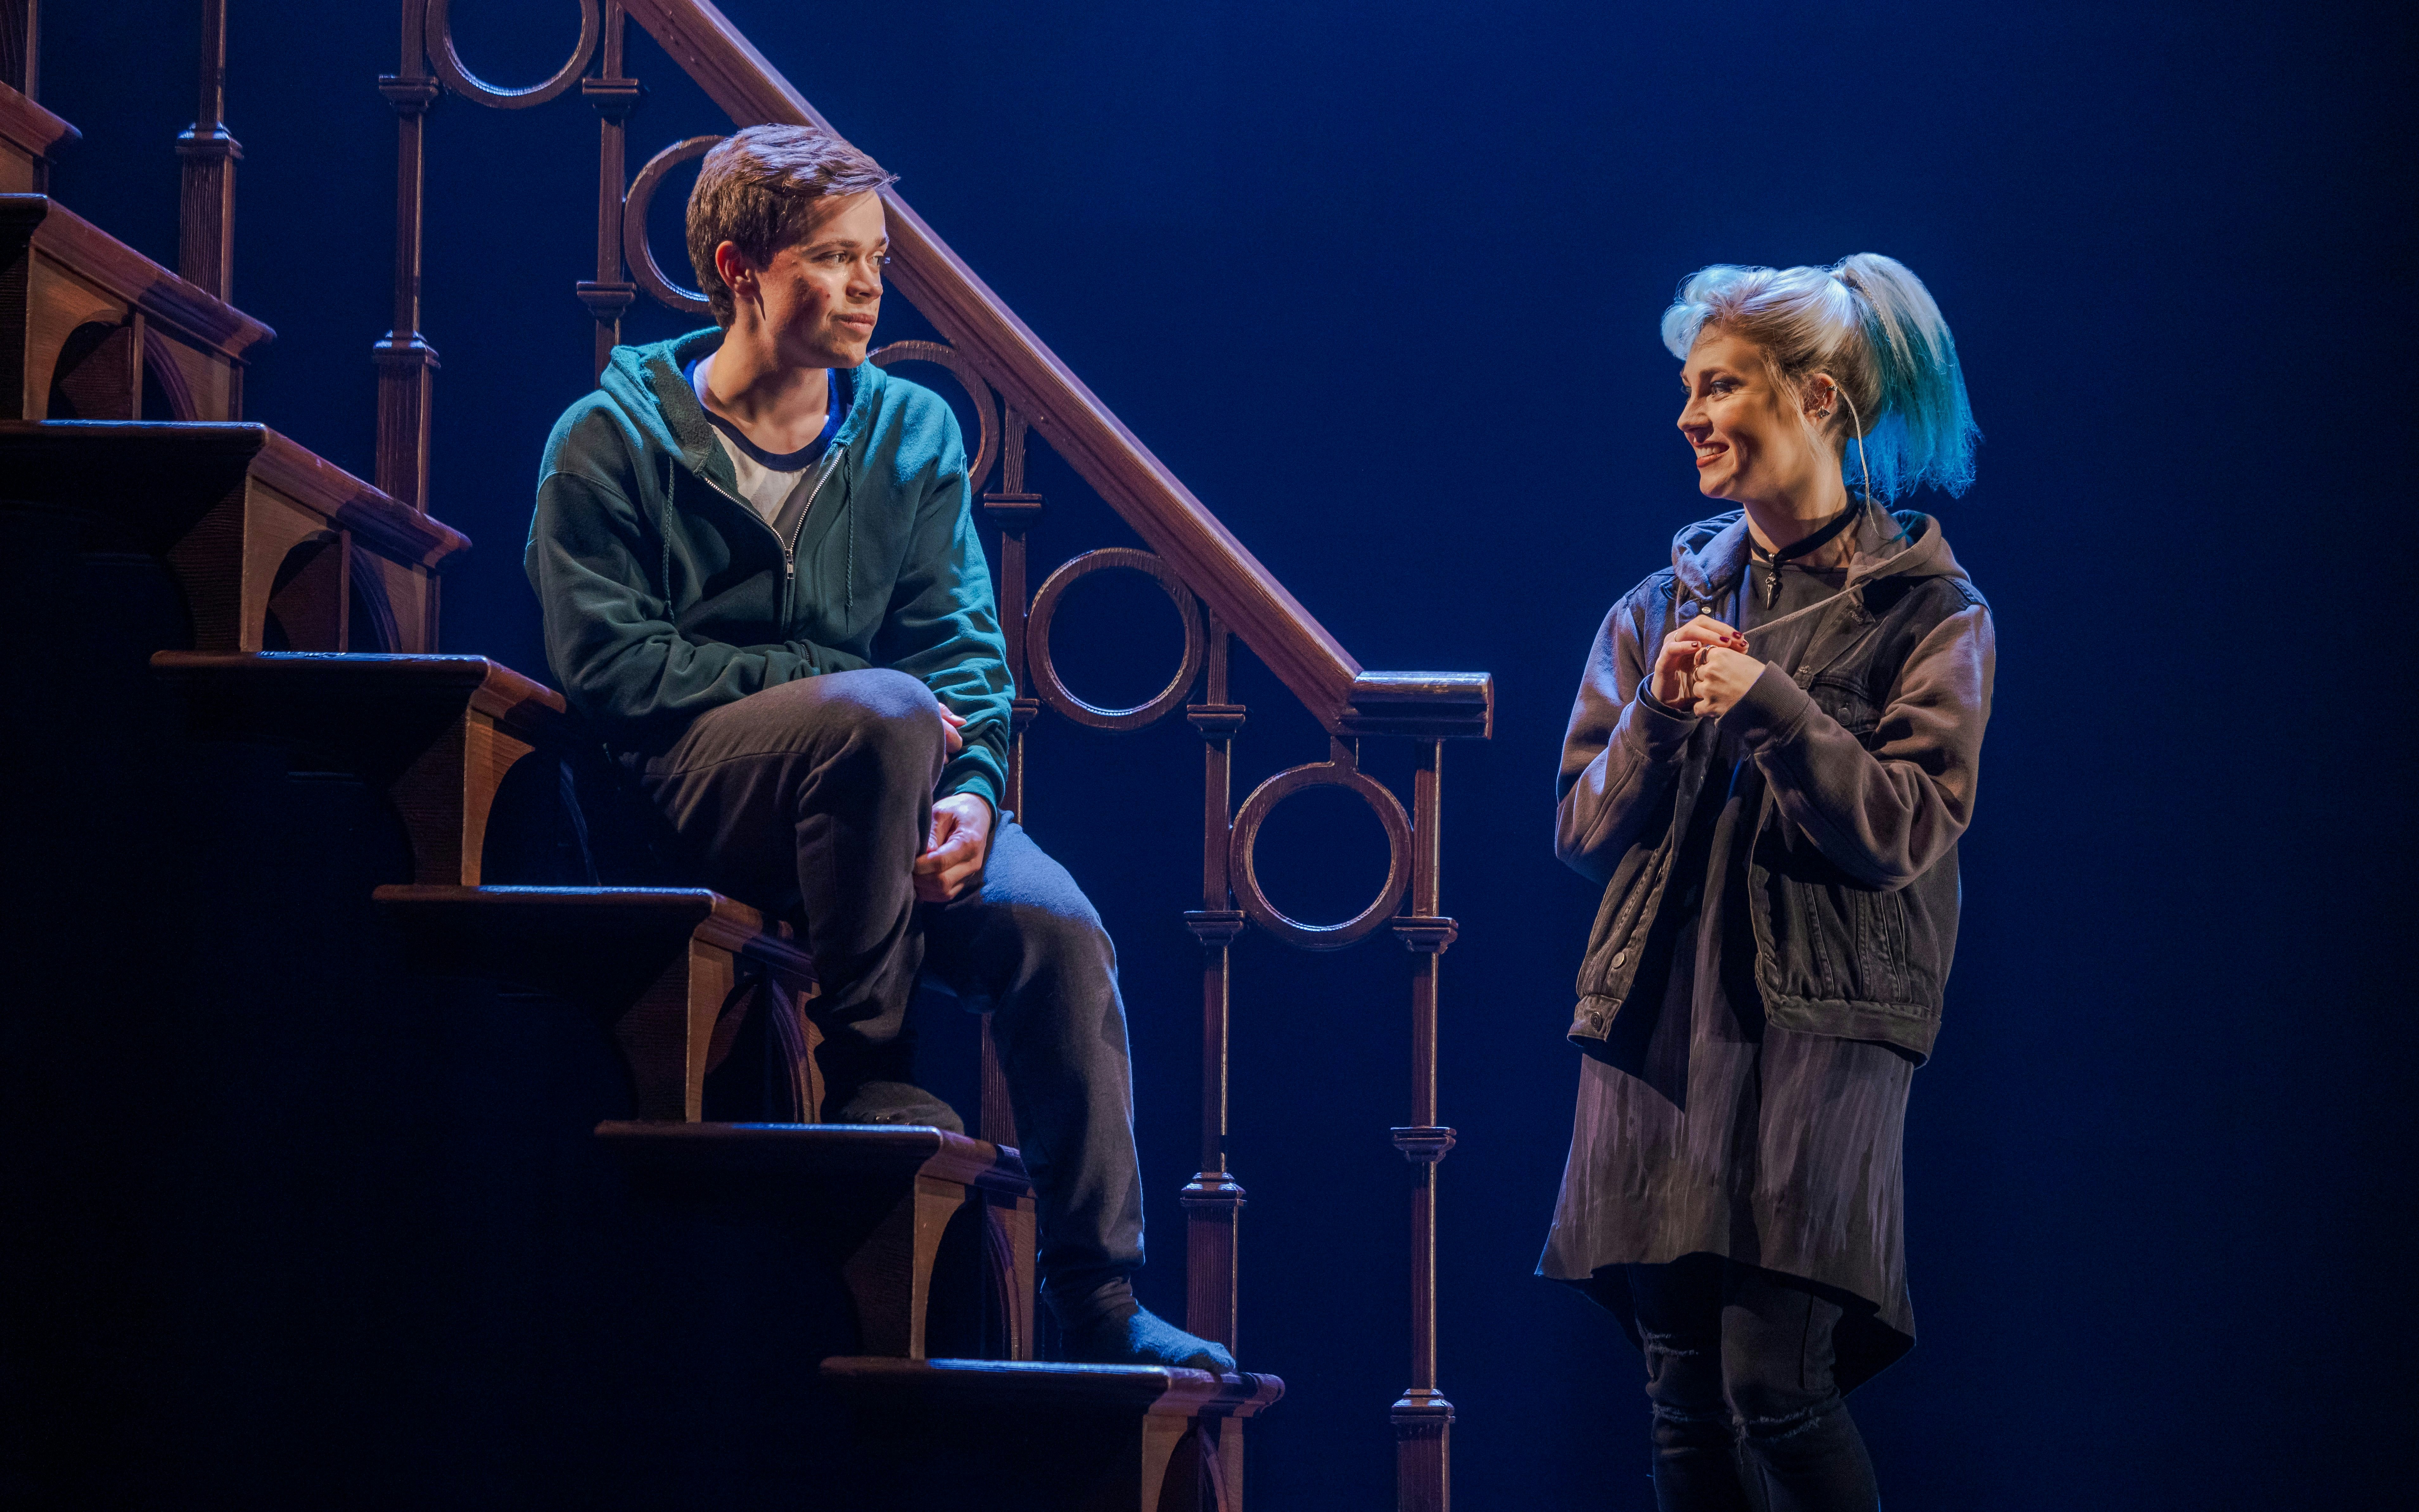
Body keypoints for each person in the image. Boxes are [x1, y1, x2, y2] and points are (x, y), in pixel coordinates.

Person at [525, 124, 1231, 1374]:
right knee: (889, 715)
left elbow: (962, 654)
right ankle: (868, 1071)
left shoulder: (912, 433)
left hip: (892, 782)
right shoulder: (610, 438)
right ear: (739, 268)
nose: (867, 287)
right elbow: (615, 674)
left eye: (877, 260)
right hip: (696, 788)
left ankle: (1100, 1296)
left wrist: (967, 794)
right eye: (836, 259)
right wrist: (849, 692)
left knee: (1056, 932)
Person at [1538, 253, 1993, 1509]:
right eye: (1688, 389)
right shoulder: (1657, 605)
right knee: (1680, 1396)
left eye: (1720, 386)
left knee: (1776, 1388)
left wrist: (1776, 706)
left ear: (1820, 402)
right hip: (1658, 1027)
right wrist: (1663, 715)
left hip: (1820, 1032)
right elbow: (1579, 830)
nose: (1689, 416)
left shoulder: (1930, 614)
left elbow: (1908, 827)